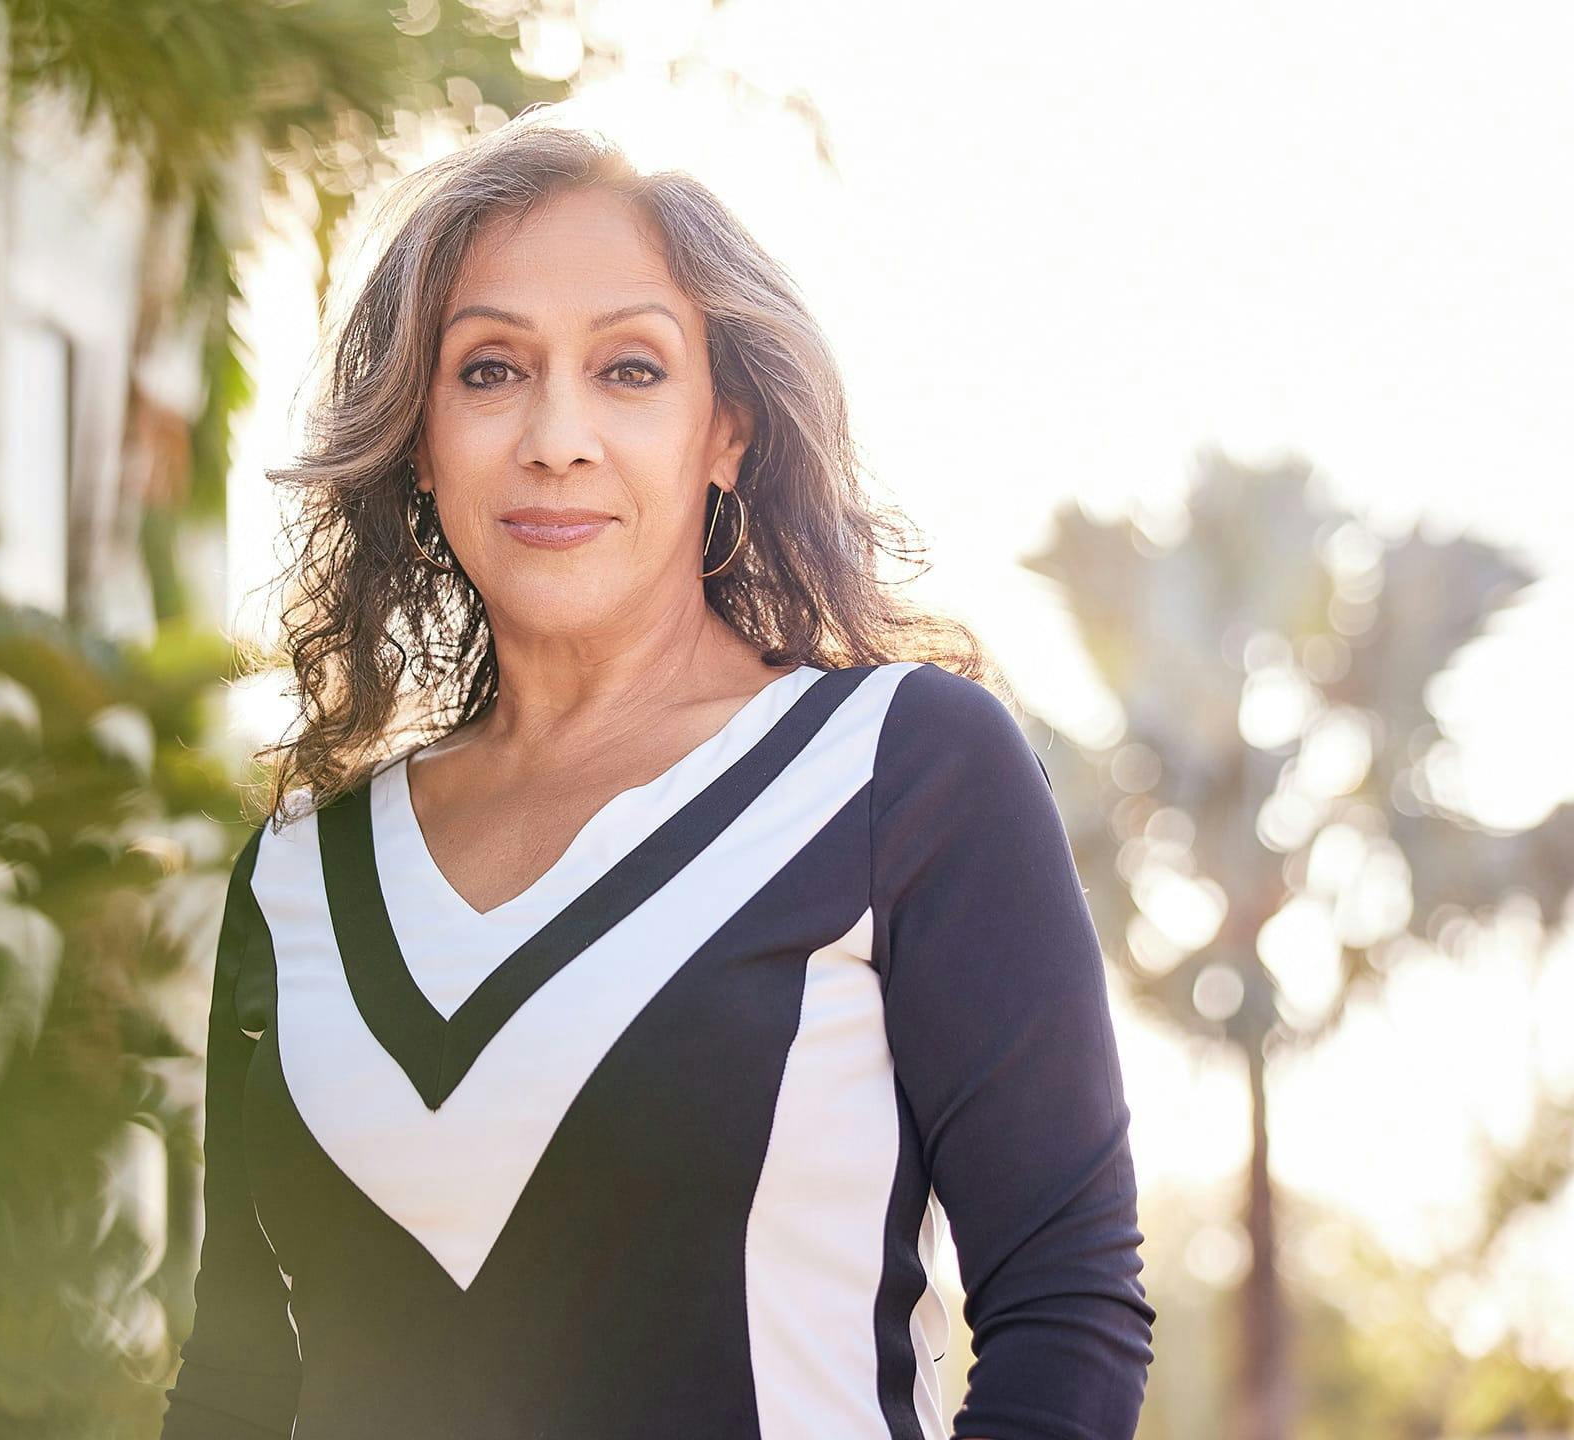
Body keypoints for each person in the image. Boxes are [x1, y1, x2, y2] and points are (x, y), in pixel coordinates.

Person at [158, 107, 1154, 1440]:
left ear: (725, 431)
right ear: (419, 437)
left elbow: (1067, 1311)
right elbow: (235, 1387)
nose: (556, 435)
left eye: (630, 369)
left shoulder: (897, 776)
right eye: (490, 370)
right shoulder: (296, 878)